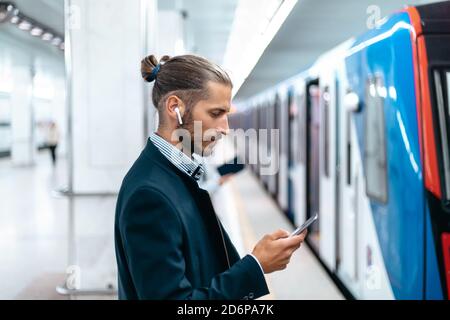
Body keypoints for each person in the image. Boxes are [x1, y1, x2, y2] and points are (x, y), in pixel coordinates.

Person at [114, 54, 307, 300]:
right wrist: (256, 266)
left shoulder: (175, 175)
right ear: (175, 108)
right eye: (216, 113)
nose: (225, 127)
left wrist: (255, 260)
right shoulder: (149, 195)